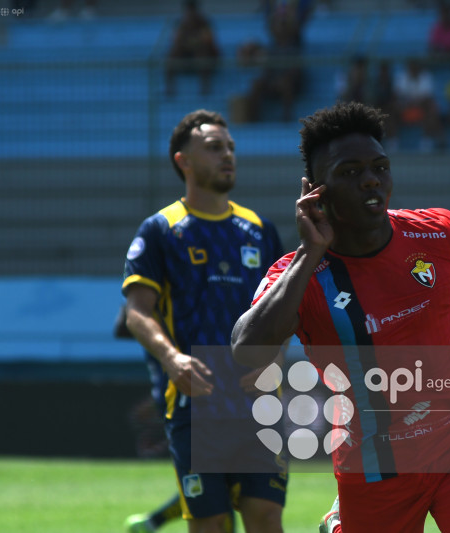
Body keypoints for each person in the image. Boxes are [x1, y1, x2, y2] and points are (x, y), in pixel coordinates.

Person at [232, 102, 450, 532]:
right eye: (350, 172)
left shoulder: (434, 232)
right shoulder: (299, 275)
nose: (371, 179)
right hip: (376, 459)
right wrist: (309, 252)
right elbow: (247, 351)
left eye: (379, 166)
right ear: (316, 191)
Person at [122, 109, 287, 533]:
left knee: (266, 516)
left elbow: (284, 310)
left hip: (258, 401)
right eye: (214, 148)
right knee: (212, 523)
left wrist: (274, 358)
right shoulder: (161, 230)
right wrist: (172, 359)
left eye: (230, 148)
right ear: (184, 161)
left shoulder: (260, 230)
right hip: (197, 403)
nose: (227, 155)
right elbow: (137, 312)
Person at [165, 0, 220, 97]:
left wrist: (192, 42)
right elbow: (176, 40)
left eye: (192, 11)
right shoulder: (180, 23)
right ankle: (170, 89)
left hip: (203, 54)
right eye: (188, 11)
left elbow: (208, 40)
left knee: (203, 52)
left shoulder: (204, 23)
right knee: (173, 53)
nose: (190, 14)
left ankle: (205, 87)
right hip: (186, 54)